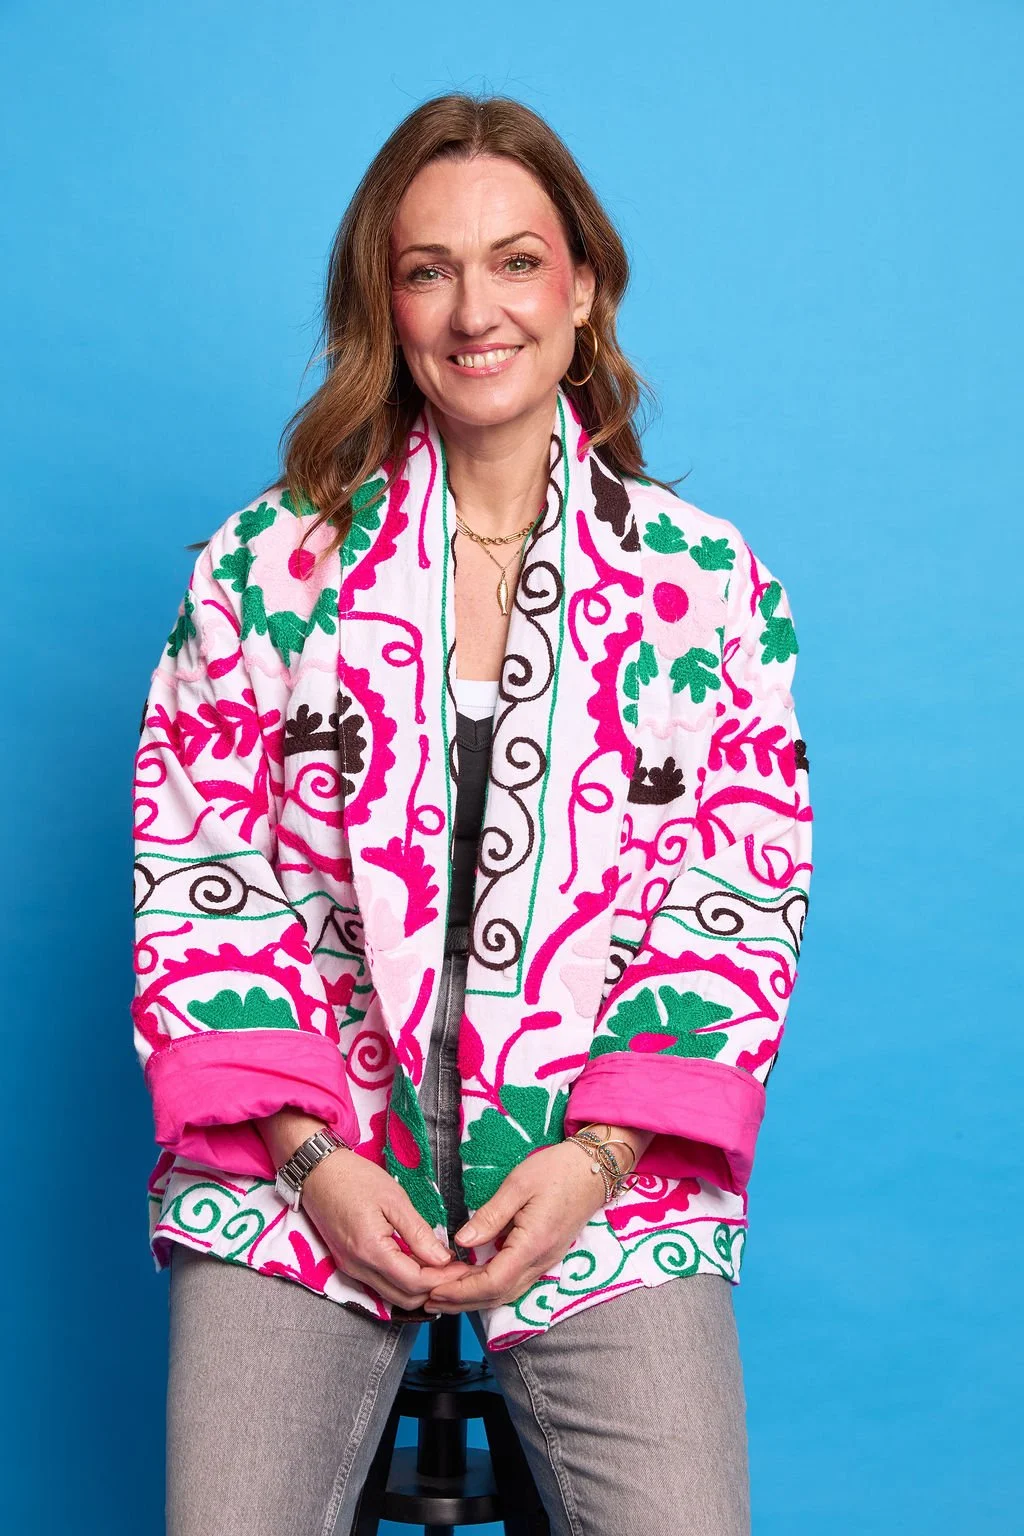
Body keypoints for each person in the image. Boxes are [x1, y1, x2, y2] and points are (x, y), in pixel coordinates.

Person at [133, 91, 813, 1536]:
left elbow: (736, 897)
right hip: (299, 1167)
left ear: (584, 286)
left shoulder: (706, 585)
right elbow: (198, 861)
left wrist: (597, 1161)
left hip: (599, 1176)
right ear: (383, 299)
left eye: (516, 261)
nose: (474, 310)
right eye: (429, 267)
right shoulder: (267, 567)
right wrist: (311, 1160)